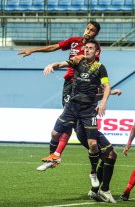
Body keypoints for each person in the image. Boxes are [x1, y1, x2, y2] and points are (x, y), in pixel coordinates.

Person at [18, 21, 101, 171]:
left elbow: (80, 60)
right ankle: (54, 156)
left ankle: (59, 155)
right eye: (88, 28)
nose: (88, 31)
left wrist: (57, 64)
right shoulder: (74, 41)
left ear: (96, 34)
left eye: (92, 30)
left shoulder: (94, 48)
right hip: (69, 84)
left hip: (82, 85)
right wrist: (33, 50)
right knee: (64, 125)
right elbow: (55, 47)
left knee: (72, 125)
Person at [42, 40, 116, 203]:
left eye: (91, 48)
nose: (88, 50)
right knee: (55, 132)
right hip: (72, 106)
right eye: (86, 47)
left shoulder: (100, 67)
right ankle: (53, 157)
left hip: (88, 109)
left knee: (93, 145)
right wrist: (52, 65)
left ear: (96, 52)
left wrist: (103, 102)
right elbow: (62, 63)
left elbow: (107, 86)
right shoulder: (78, 60)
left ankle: (93, 173)